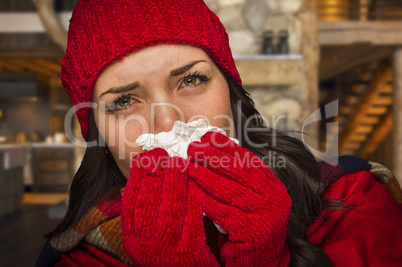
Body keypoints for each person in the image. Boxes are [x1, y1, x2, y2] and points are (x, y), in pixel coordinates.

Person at [36, 0, 402, 266]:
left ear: (231, 92)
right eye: (123, 101)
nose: (168, 122)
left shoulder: (357, 204)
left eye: (191, 80)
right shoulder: (81, 259)